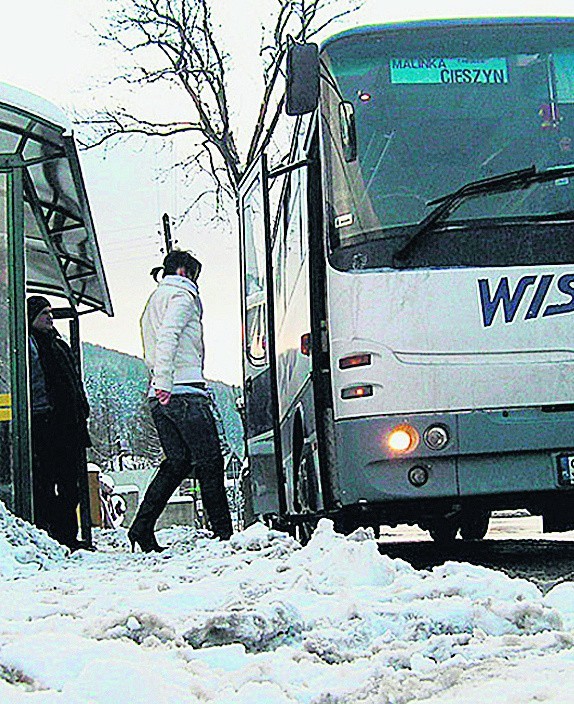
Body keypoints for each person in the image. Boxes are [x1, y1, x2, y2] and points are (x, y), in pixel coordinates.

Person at [128, 250, 232, 552]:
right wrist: (164, 381)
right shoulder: (182, 297)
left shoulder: (153, 302)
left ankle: (141, 528)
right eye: (195, 275)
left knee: (177, 463)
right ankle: (224, 535)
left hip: (160, 395)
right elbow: (168, 336)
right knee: (211, 461)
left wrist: (158, 385)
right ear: (184, 271)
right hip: (182, 391)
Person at [27, 296, 91, 549]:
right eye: (44, 313)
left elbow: (73, 381)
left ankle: (66, 536)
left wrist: (81, 409)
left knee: (70, 485)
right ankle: (52, 534)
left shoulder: (57, 344)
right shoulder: (29, 345)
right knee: (46, 484)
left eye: (50, 313)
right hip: (45, 424)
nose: (50, 318)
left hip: (68, 425)